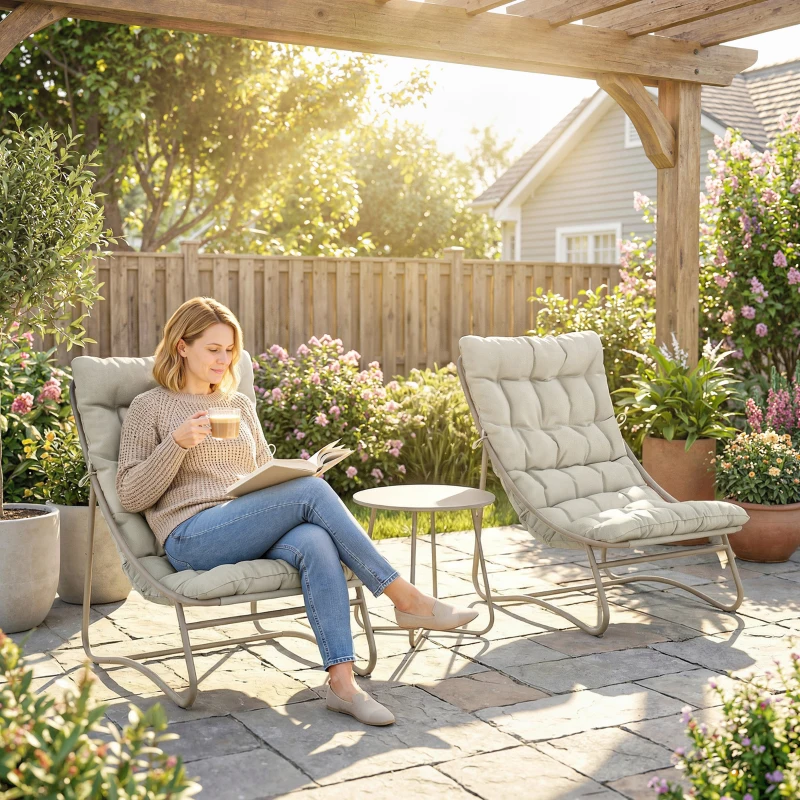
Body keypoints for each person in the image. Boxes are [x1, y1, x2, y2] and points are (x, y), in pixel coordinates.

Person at [116, 296, 478, 726]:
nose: (224, 359)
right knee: (309, 494)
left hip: (246, 523)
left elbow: (257, 473)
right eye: (213, 349)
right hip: (191, 537)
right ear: (182, 346)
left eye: (229, 350)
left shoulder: (238, 405)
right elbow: (130, 495)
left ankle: (343, 686)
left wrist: (293, 476)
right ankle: (408, 599)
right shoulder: (150, 407)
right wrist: (176, 445)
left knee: (316, 539)